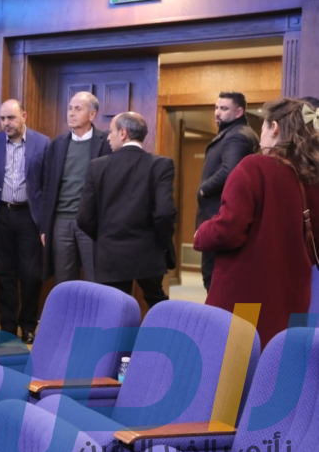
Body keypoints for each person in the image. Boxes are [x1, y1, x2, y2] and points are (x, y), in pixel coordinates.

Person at [195, 98, 319, 348]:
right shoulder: (313, 176)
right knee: (278, 364)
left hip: (246, 295)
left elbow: (228, 230)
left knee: (233, 368)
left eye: (262, 127)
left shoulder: (254, 167)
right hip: (293, 297)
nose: (259, 136)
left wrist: (201, 233)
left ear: (274, 128)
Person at [0, 99, 49, 344]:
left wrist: (46, 223)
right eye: (2, 118)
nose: (6, 123)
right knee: (5, 275)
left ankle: (28, 325)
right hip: (0, 215)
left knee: (31, 275)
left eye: (11, 118)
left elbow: (48, 185)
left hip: (29, 216)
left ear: (24, 116)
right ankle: (8, 328)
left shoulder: (42, 143)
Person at [77, 112, 176, 308]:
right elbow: (164, 213)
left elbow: (84, 218)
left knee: (114, 310)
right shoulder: (161, 165)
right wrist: (159, 240)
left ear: (123, 133)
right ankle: (161, 331)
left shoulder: (97, 167)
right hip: (149, 250)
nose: (108, 137)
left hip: (110, 253)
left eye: (111, 132)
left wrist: (105, 236)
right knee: (157, 303)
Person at [40, 92, 112, 284]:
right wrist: (45, 227)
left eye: (78, 109)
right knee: (64, 281)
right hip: (61, 222)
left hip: (91, 223)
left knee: (96, 279)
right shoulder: (58, 143)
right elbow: (48, 187)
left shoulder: (106, 142)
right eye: (70, 108)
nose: (71, 113)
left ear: (92, 114)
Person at [196, 92, 259, 292]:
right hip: (225, 217)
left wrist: (204, 189)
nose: (217, 112)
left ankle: (220, 315)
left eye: (224, 109)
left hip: (221, 217)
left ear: (239, 112)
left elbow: (229, 170)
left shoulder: (237, 136)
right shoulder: (236, 133)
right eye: (216, 107)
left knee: (215, 279)